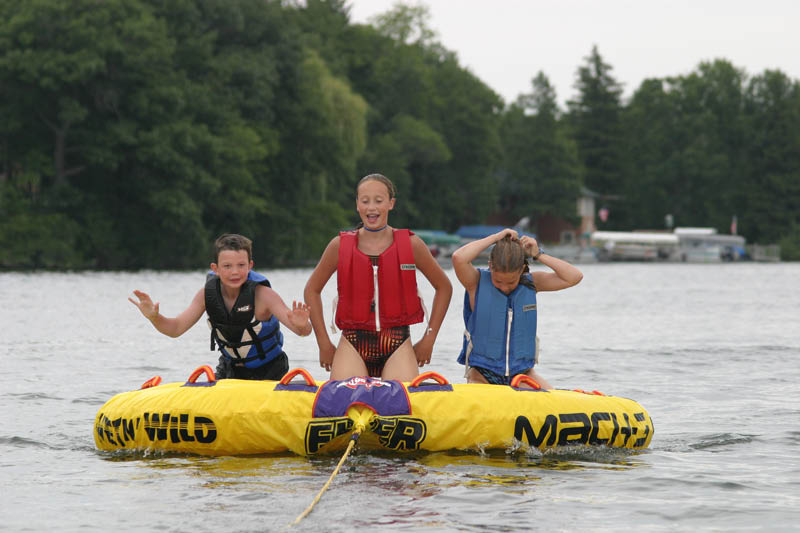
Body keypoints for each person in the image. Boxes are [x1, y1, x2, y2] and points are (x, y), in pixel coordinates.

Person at [304, 173, 452, 382]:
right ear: (357, 205)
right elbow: (311, 290)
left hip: (397, 342)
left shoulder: (412, 245)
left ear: (391, 203)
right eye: (365, 201)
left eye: (378, 201)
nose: (371, 207)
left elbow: (444, 287)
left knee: (399, 403)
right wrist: (324, 343)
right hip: (353, 342)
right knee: (347, 401)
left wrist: (429, 339)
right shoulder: (338, 246)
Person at [129, 233, 312, 380]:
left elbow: (302, 332)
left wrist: (302, 324)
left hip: (269, 371)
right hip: (229, 369)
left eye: (241, 265)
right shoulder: (206, 295)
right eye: (227, 266)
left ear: (250, 266)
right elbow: (175, 329)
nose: (235, 272)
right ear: (215, 269)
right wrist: (154, 317)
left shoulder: (264, 295)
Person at [452, 228, 583, 389]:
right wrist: (496, 237)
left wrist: (538, 254)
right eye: (498, 282)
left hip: (522, 373)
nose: (504, 287)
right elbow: (459, 258)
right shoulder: (475, 283)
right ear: (490, 266)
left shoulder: (533, 283)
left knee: (551, 397)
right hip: (482, 373)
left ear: (521, 270)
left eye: (511, 282)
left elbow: (574, 277)